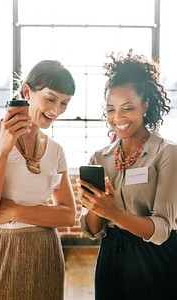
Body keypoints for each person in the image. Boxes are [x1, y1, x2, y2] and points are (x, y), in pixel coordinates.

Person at [76, 49, 177, 300]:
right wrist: (95, 207)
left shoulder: (167, 154)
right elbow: (93, 231)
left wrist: (113, 212)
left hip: (154, 259)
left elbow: (162, 230)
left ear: (145, 106)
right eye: (111, 109)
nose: (117, 118)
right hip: (110, 258)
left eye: (127, 108)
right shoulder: (100, 159)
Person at [0, 60, 76, 300]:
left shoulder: (56, 150)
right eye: (51, 99)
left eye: (64, 103)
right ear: (27, 92)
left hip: (45, 252)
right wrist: (4, 145)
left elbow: (67, 215)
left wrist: (14, 211)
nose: (57, 110)